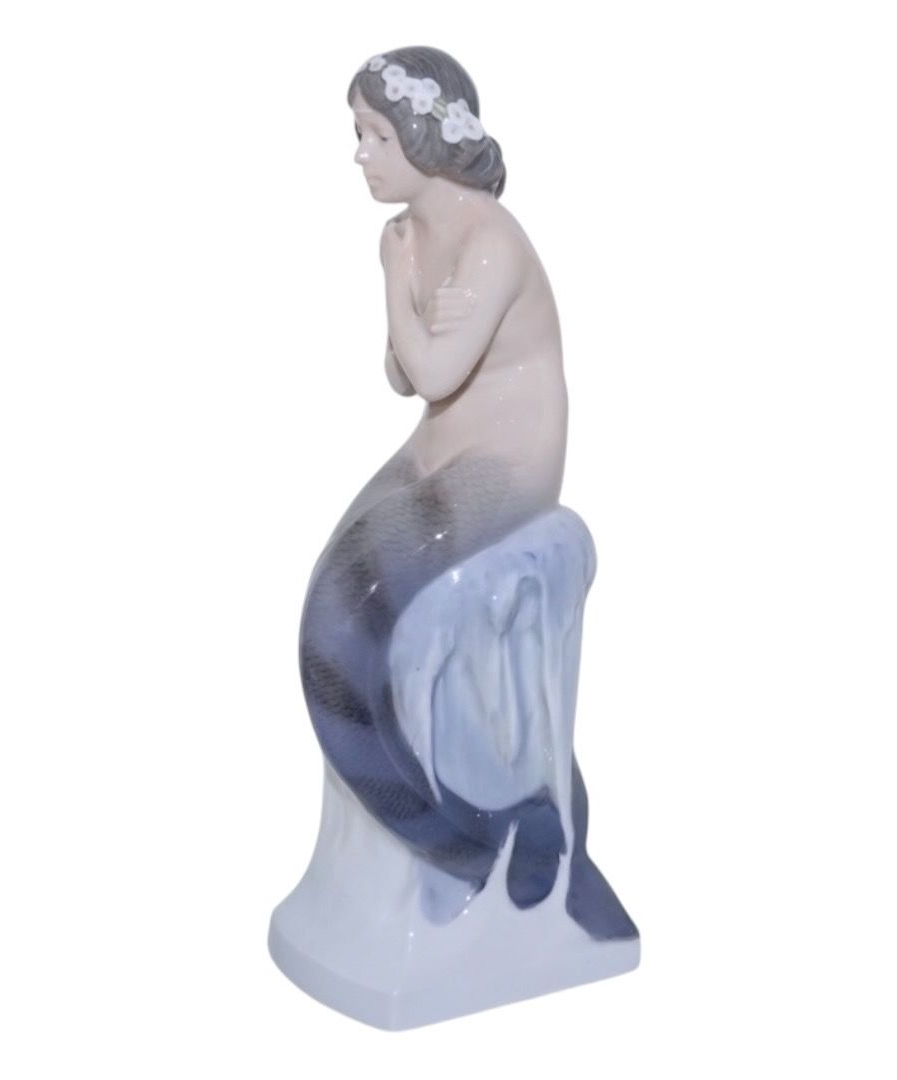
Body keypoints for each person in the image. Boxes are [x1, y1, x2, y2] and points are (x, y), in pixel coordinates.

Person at [295, 46, 636, 941]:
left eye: (375, 135)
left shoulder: (490, 242)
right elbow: (401, 377)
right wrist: (405, 293)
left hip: (507, 460)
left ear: (421, 135)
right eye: (357, 133)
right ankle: (439, 830)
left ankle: (481, 846)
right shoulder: (411, 233)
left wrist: (393, 281)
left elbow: (436, 370)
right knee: (331, 613)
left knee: (351, 615)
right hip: (441, 444)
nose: (360, 154)